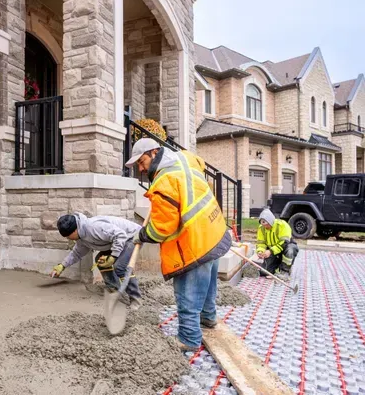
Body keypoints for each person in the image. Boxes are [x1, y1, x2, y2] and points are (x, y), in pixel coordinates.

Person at [125, 138, 232, 352]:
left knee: (187, 293)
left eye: (142, 161)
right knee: (208, 283)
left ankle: (189, 339)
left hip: (194, 243)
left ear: (154, 153)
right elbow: (199, 163)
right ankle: (209, 318)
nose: (140, 167)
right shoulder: (185, 159)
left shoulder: (164, 183)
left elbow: (162, 229)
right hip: (213, 231)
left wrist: (143, 235)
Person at [51, 212, 143, 309]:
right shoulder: (81, 236)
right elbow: (77, 253)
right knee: (100, 260)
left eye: (67, 236)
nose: (67, 238)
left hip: (132, 236)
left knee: (120, 267)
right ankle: (114, 289)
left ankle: (135, 299)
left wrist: (113, 257)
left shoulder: (93, 227)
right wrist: (62, 265)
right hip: (117, 240)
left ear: (74, 231)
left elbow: (120, 235)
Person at [256, 208, 298, 276]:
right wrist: (260, 251)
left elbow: (284, 243)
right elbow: (261, 243)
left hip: (284, 247)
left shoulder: (282, 225)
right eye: (263, 224)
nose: (265, 227)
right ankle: (277, 268)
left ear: (270, 221)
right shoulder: (261, 228)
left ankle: (285, 270)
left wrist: (270, 251)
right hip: (273, 250)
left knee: (290, 250)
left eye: (266, 224)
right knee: (265, 272)